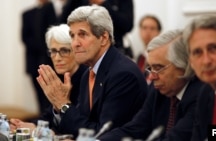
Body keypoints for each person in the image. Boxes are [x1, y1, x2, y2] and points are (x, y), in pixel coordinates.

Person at [34, 5, 148, 139]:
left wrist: (63, 104)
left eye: (82, 35)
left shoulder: (123, 74)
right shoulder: (88, 73)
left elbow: (101, 134)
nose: (75, 43)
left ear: (104, 38)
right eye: (72, 36)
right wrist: (59, 109)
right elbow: (82, 124)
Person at [98, 30, 212, 141]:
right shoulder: (158, 89)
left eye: (158, 68)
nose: (152, 76)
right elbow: (135, 128)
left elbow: (177, 137)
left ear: (184, 65)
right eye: (150, 68)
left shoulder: (202, 94)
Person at [10, 24, 88, 134]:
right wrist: (33, 125)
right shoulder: (60, 77)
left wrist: (53, 131)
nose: (57, 58)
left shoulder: (88, 78)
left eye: (64, 51)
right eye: (53, 51)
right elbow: (51, 114)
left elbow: (80, 125)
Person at [61, 0, 134, 58]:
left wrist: (104, 3)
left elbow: (127, 25)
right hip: (82, 52)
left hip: (114, 47)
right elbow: (63, 22)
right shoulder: (79, 1)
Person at [21, 0, 51, 114]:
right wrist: (42, 47)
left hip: (51, 61)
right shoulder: (27, 13)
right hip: (34, 61)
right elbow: (24, 37)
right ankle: (42, 118)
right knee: (39, 96)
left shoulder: (53, 10)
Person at [136, 15, 162, 84]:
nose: (148, 32)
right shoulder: (140, 57)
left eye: (152, 28)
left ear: (159, 32)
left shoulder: (162, 59)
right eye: (144, 28)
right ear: (140, 32)